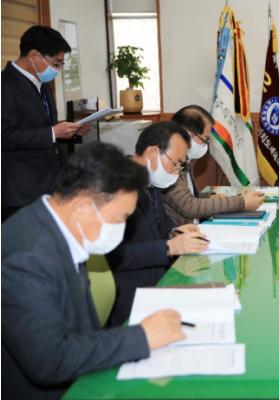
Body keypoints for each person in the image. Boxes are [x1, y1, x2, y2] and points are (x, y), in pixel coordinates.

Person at [1, 142, 185, 399]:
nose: (121, 229)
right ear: (82, 206)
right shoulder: (27, 258)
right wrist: (140, 337)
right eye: (119, 219)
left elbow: (84, 331)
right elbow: (50, 360)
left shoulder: (63, 226)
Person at [106, 121, 209, 327]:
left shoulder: (150, 182)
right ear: (153, 153)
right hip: (133, 297)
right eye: (176, 163)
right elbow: (113, 255)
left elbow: (158, 229)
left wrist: (175, 233)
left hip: (160, 284)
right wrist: (169, 247)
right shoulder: (117, 185)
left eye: (181, 166)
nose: (177, 172)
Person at [2, 25, 92, 222]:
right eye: (56, 63)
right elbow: (5, 136)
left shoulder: (42, 84)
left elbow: (41, 125)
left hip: (50, 182)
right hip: (21, 190)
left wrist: (71, 130)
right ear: (34, 56)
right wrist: (53, 132)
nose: (57, 69)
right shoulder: (5, 85)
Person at [163, 105, 264, 226]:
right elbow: (189, 206)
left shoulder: (185, 160)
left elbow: (188, 197)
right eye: (205, 139)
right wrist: (242, 202)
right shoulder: (168, 163)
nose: (206, 145)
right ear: (187, 134)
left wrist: (209, 198)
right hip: (179, 233)